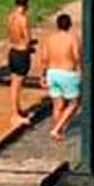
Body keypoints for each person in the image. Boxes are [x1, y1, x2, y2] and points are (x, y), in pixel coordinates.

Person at [39, 13, 82, 142]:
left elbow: (44, 58)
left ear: (57, 25)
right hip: (68, 73)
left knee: (58, 105)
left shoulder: (49, 39)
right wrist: (81, 72)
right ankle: (57, 129)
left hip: (52, 73)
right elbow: (77, 57)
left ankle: (59, 132)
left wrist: (42, 75)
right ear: (70, 25)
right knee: (75, 103)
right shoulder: (73, 39)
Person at [6, 0, 35, 128]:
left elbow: (11, 33)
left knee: (14, 84)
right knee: (17, 86)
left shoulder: (10, 16)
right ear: (26, 3)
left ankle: (17, 110)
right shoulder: (23, 19)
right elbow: (27, 39)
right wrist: (31, 45)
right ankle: (14, 115)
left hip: (12, 51)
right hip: (21, 53)